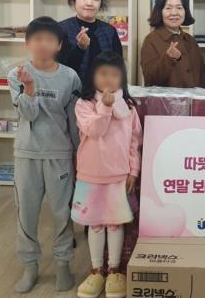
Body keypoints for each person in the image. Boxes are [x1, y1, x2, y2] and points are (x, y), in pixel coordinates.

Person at [7, 16, 81, 294]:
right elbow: (27, 114)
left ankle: (63, 264)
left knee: (62, 213)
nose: (43, 44)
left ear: (59, 45)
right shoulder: (16, 74)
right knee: (26, 213)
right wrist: (29, 89)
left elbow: (73, 120)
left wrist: (77, 153)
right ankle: (30, 266)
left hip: (59, 153)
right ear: (28, 43)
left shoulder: (70, 76)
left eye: (50, 39)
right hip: (27, 154)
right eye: (37, 39)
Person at [72, 52, 142, 298]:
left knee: (115, 223)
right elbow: (95, 130)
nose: (108, 79)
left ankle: (114, 271)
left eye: (114, 74)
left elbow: (134, 141)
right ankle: (96, 271)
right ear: (92, 75)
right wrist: (106, 107)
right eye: (103, 73)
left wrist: (134, 170)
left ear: (122, 78)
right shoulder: (84, 104)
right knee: (95, 224)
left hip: (118, 175)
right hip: (90, 174)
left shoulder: (130, 107)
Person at [140, 0, 205, 87]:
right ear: (160, 11)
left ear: (185, 11)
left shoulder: (190, 40)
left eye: (179, 8)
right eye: (168, 8)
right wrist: (168, 58)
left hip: (193, 97)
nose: (174, 13)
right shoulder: (151, 40)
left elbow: (203, 76)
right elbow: (150, 79)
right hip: (164, 97)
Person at [58, 0, 123, 80]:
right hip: (71, 88)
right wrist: (80, 48)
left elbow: (118, 66)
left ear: (101, 3)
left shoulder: (110, 31)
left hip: (104, 87)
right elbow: (59, 69)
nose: (89, 3)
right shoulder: (61, 29)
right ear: (74, 0)